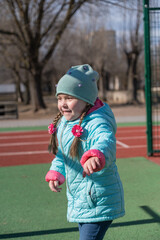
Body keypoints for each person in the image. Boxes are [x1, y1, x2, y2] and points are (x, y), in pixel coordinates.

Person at [45, 64, 125, 240]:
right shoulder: (66, 123)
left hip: (98, 199)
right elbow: (63, 154)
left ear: (86, 100)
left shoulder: (96, 122)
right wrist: (56, 171)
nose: (63, 104)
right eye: (60, 98)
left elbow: (106, 141)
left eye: (69, 98)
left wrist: (96, 154)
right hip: (80, 198)